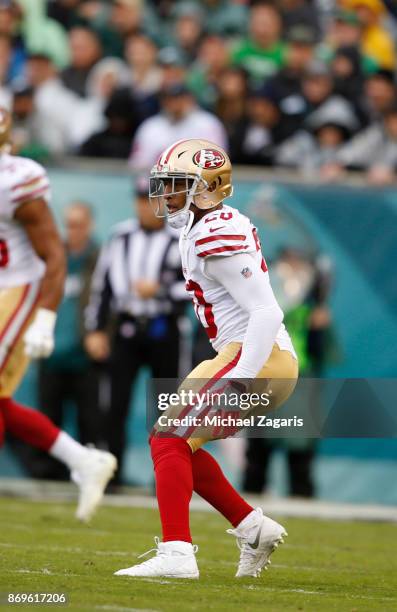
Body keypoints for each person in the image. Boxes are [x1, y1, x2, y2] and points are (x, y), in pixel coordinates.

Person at [114, 139, 298, 579]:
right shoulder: (199, 227)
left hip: (258, 357)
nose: (166, 195)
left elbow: (268, 311)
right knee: (174, 440)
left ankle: (177, 553)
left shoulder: (217, 229)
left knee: (169, 440)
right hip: (245, 355)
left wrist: (242, 376)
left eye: (176, 185)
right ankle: (253, 528)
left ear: (206, 188)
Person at [0, 106, 116, 521]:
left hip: (20, 288)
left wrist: (46, 316)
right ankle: (84, 460)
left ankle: (83, 460)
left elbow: (54, 255)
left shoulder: (14, 182)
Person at [84, 179, 188, 482]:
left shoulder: (180, 237)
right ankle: (111, 475)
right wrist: (97, 329)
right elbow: (101, 285)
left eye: (153, 199)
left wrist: (161, 289)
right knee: (115, 404)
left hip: (165, 328)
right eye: (142, 199)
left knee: (168, 407)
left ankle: (167, 478)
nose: (146, 206)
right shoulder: (121, 236)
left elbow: (197, 289)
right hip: (127, 327)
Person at [30, 202, 103, 480]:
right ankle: (46, 475)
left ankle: (93, 473)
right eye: (69, 225)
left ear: (90, 226)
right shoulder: (50, 257)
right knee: (47, 418)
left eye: (79, 225)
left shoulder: (100, 257)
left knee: (91, 421)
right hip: (51, 351)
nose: (73, 231)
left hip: (84, 354)